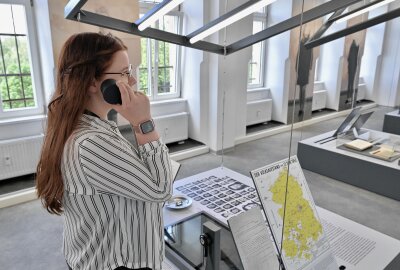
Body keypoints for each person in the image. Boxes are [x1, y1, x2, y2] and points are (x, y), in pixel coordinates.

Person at [36, 32, 173, 270]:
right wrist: (143, 122)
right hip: (117, 263)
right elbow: (161, 189)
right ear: (92, 82)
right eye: (124, 73)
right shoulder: (90, 143)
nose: (132, 82)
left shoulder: (89, 125)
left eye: (130, 72)